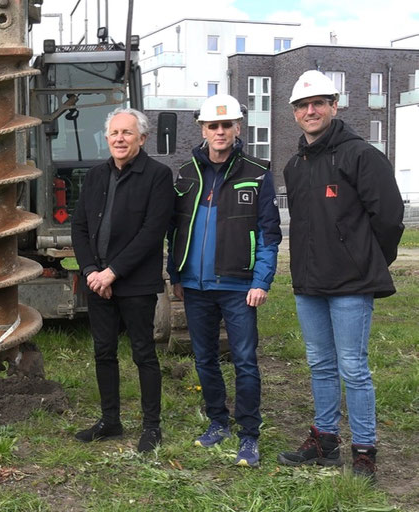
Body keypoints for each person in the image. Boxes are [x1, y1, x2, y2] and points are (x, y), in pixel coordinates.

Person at [276, 71, 403, 480]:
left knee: (353, 367)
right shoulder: (295, 165)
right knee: (320, 364)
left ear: (335, 105)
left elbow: (389, 216)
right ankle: (325, 442)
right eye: (302, 105)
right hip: (309, 283)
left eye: (318, 103)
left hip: (351, 284)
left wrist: (368, 260)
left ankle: (364, 450)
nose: (310, 111)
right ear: (294, 113)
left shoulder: (361, 155)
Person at [167, 94, 281, 468]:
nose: (219, 132)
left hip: (238, 287)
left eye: (226, 125)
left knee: (245, 361)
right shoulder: (186, 173)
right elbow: (175, 231)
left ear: (237, 128)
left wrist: (261, 281)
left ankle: (249, 434)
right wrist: (176, 274)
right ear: (202, 129)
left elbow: (268, 234)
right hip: (195, 287)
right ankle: (218, 421)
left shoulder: (257, 172)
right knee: (204, 359)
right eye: (212, 126)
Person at [71, 108, 174, 453]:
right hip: (98, 281)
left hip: (134, 283)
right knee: (104, 353)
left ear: (142, 139)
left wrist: (112, 272)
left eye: (127, 133)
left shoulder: (158, 176)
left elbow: (151, 232)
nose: (119, 138)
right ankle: (110, 421)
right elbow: (80, 226)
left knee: (144, 353)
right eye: (114, 133)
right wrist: (90, 272)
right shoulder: (96, 176)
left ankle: (151, 426)